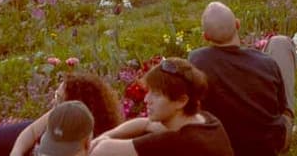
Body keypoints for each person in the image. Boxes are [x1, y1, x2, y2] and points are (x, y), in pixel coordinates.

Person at [188, 2, 296, 155]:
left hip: (223, 145)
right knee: (281, 43)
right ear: (238, 24)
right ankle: (288, 126)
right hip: (269, 145)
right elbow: (280, 107)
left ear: (206, 37)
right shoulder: (267, 63)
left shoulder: (196, 59)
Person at [87, 58, 234, 155]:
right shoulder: (207, 121)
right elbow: (146, 124)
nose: (146, 99)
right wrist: (107, 136)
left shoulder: (179, 142)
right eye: (148, 92)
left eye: (156, 95)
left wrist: (96, 142)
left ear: (181, 101)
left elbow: (102, 151)